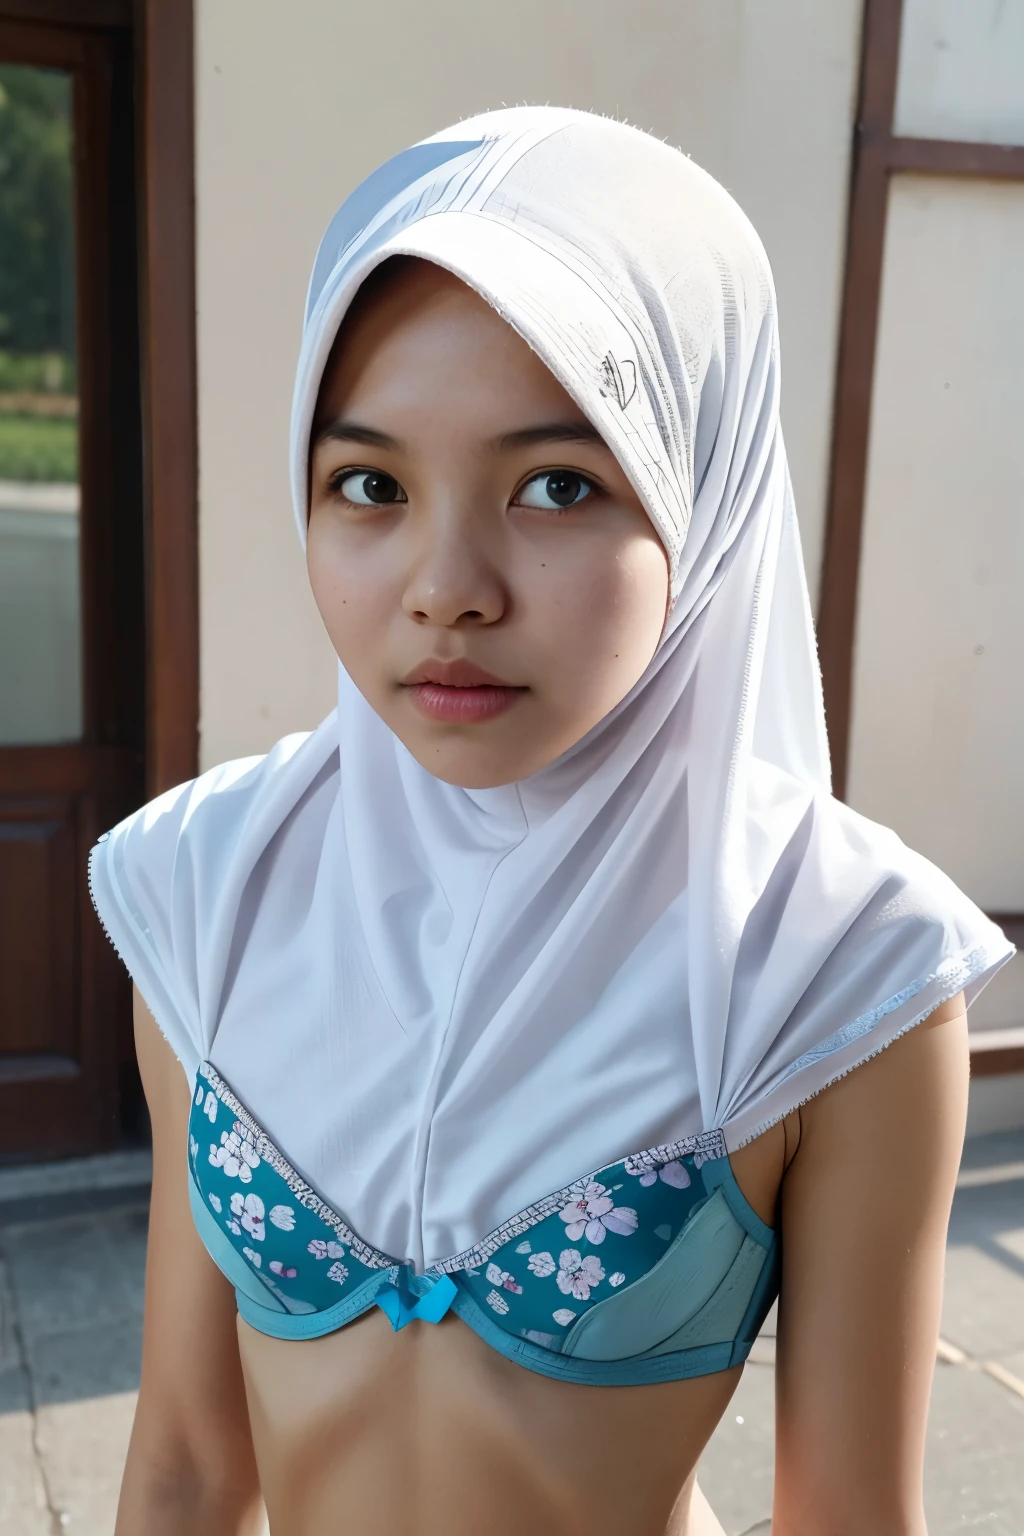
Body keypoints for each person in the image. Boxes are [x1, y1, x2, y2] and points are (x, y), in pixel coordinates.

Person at [91, 107, 1012, 1536]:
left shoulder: (833, 961)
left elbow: (849, 1521)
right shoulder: (211, 886)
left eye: (557, 485)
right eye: (370, 486)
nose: (447, 584)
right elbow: (187, 1469)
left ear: (697, 498)